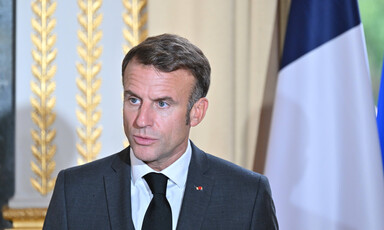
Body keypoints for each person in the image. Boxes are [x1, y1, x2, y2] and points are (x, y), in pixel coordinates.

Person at [43, 34, 278, 230]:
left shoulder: (246, 195)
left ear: (196, 112)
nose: (141, 120)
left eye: (162, 104)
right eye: (134, 100)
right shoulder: (74, 190)